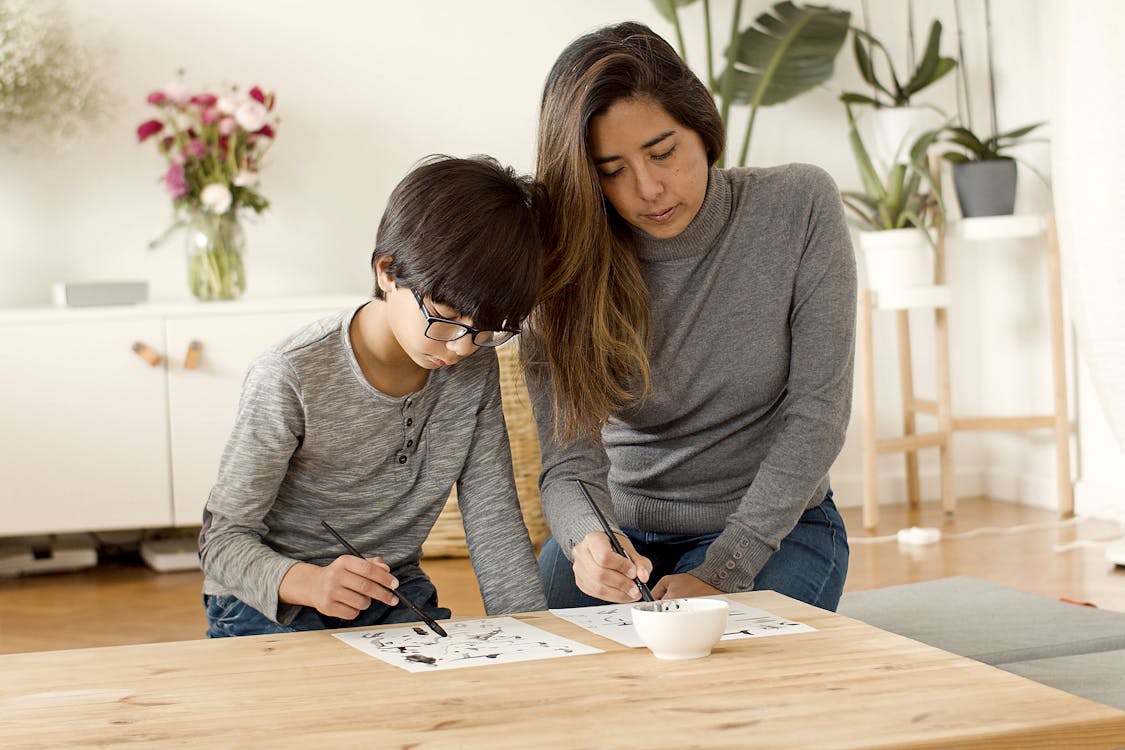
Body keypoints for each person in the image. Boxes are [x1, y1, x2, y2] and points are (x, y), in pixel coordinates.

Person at [525, 22, 856, 611]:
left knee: (732, 678)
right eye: (612, 169)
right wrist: (589, 541)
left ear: (701, 130)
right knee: (568, 682)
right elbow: (567, 462)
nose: (649, 188)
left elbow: (818, 415)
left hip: (774, 528)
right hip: (624, 534)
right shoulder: (560, 265)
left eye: (663, 152)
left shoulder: (799, 206)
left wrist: (725, 567)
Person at [199, 155, 548, 637]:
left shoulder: (472, 369)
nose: (462, 346)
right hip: (268, 600)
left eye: (487, 330)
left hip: (391, 594)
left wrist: (534, 637)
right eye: (445, 317)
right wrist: (310, 583)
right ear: (388, 272)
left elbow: (494, 522)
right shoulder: (289, 375)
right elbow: (220, 542)